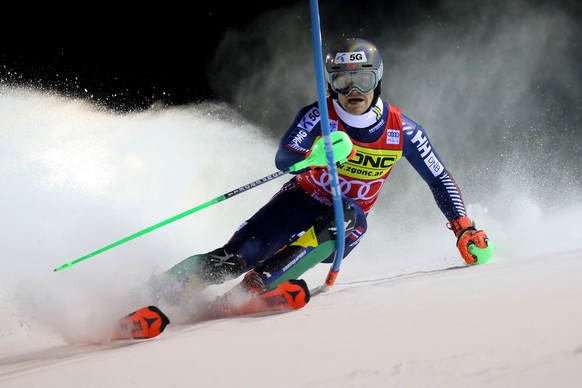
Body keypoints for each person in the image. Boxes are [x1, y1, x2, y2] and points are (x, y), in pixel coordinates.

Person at [148, 37, 492, 305]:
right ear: (331, 83)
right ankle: (156, 291)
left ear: (378, 80)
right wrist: (315, 154)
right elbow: (284, 159)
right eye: (343, 81)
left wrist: (463, 229)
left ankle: (255, 288)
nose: (353, 91)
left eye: (363, 79)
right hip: (300, 200)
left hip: (345, 224)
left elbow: (439, 178)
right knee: (237, 256)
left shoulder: (404, 131)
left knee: (346, 214)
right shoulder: (319, 116)